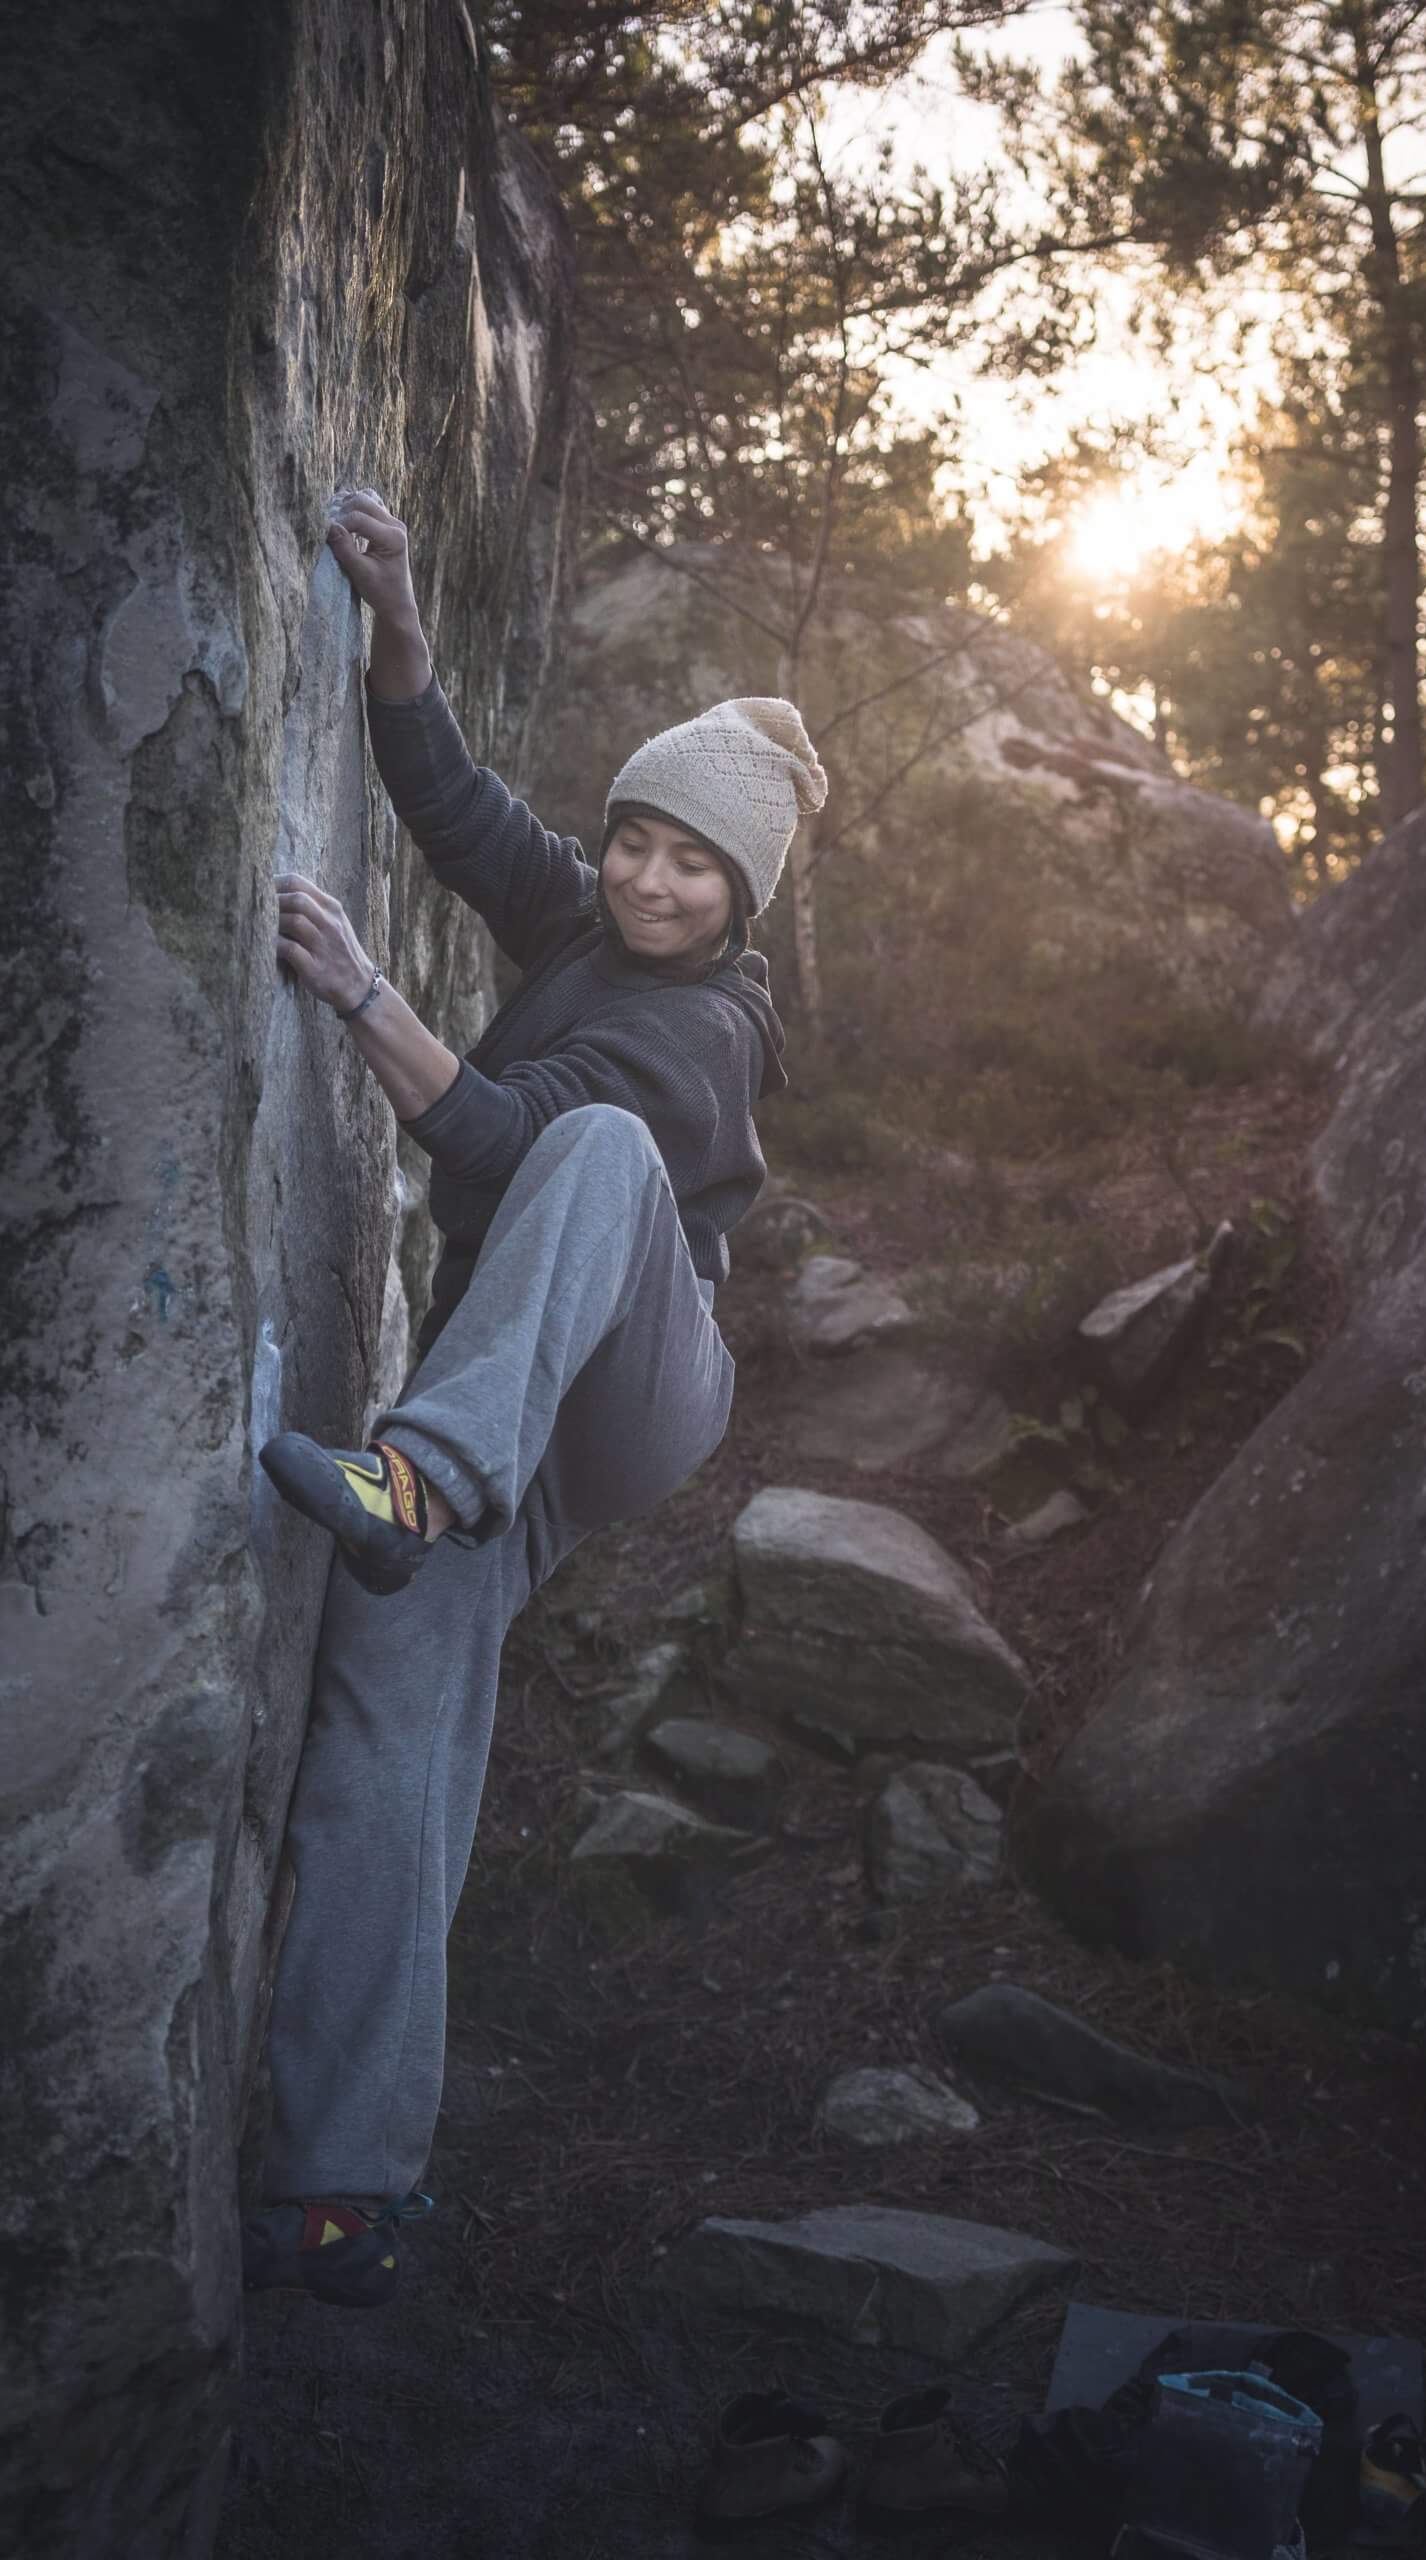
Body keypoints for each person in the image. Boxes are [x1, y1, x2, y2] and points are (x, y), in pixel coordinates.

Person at [242, 489, 822, 2308]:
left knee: (584, 1148)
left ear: (744, 901)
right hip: (498, 1415)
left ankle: (419, 1478)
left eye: (693, 867)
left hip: (635, 1384)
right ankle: (346, 2179)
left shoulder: (708, 1027)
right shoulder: (586, 912)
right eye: (640, 840)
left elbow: (501, 1131)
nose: (651, 880)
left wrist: (364, 999)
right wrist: (399, 599)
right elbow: (446, 790)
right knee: (377, 1739)